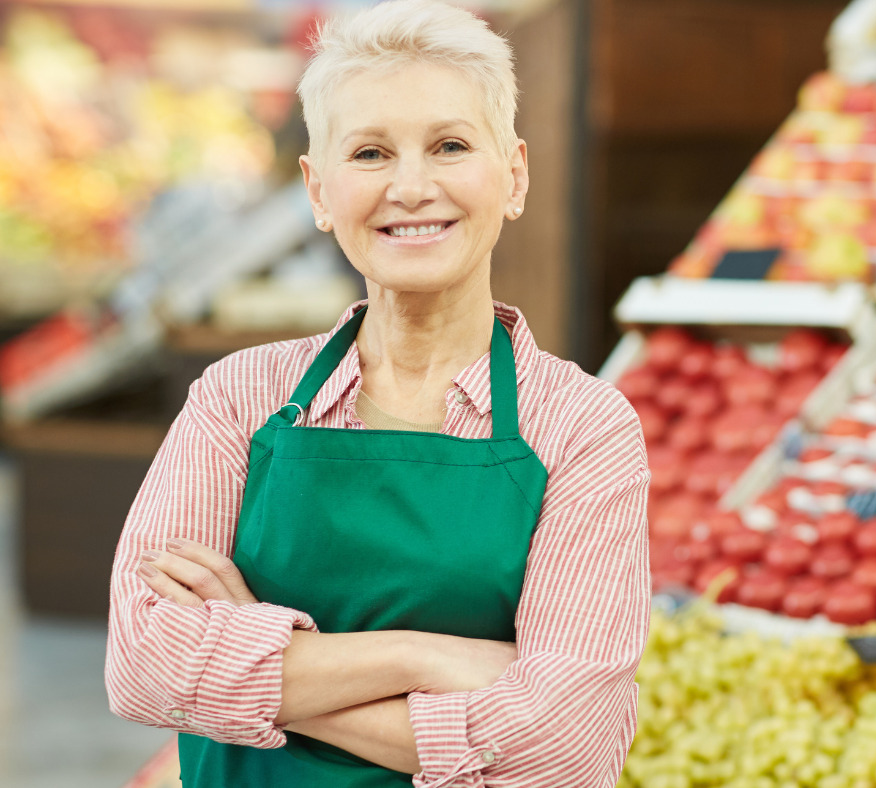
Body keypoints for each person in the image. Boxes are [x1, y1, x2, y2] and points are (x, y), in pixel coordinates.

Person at [105, 1, 651, 785]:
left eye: (451, 145)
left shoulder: (581, 426)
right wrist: (423, 655)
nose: (411, 186)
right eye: (369, 153)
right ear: (319, 191)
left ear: (515, 175)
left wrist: (250, 660)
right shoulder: (239, 396)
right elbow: (142, 666)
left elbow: (567, 745)